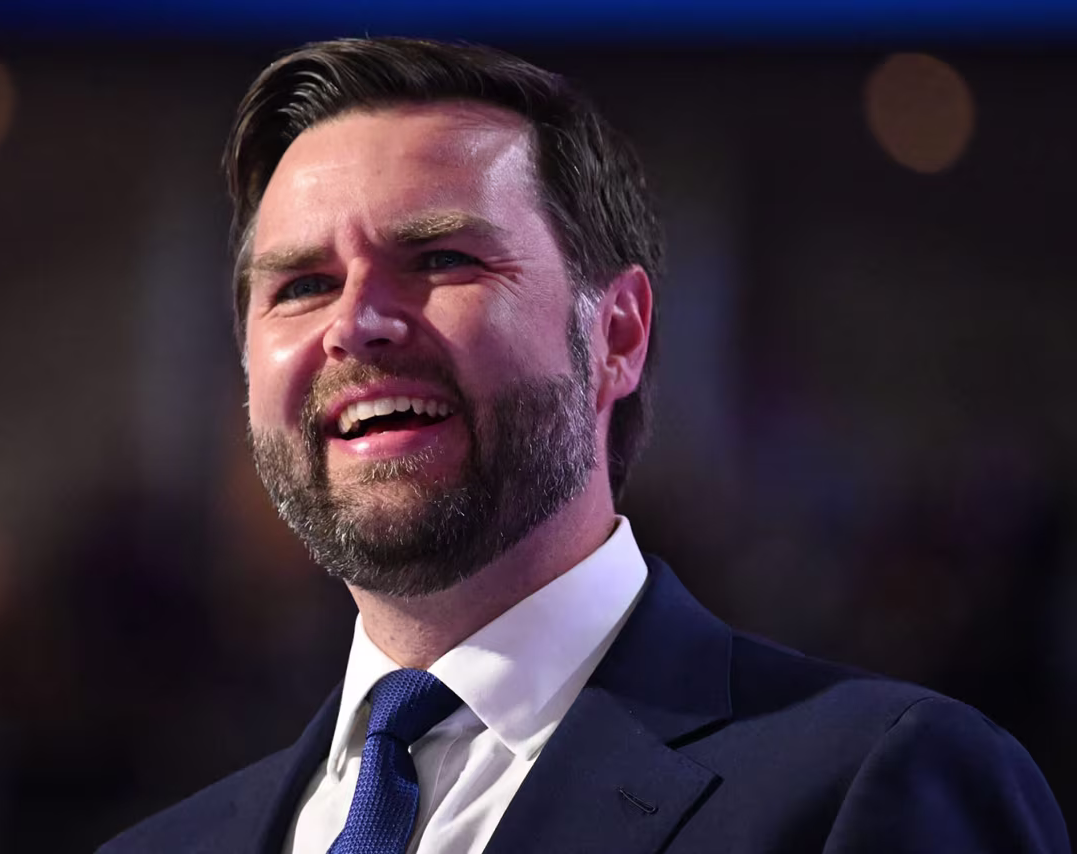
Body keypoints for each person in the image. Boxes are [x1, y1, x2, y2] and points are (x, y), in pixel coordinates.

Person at [99, 37, 1069, 854]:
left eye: (440, 257)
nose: (355, 325)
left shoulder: (875, 783)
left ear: (617, 334)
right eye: (303, 285)